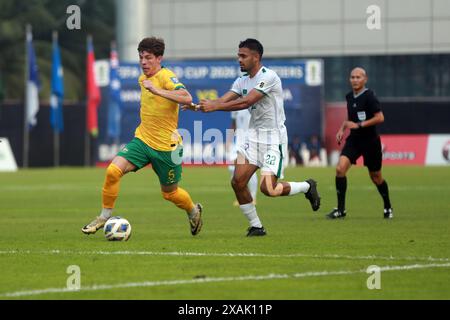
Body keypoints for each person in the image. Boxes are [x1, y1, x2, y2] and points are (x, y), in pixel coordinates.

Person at [186, 38, 320, 236]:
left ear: (256, 57)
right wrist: (200, 106)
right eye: (238, 55)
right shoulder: (242, 80)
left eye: (243, 56)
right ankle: (256, 226)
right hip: (252, 138)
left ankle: (307, 187)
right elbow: (224, 100)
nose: (239, 59)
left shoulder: (269, 77)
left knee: (269, 189)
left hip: (274, 139)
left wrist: (216, 106)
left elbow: (247, 101)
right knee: (237, 181)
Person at [82, 37, 203, 236]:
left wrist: (159, 90)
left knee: (170, 193)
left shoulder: (166, 76)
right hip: (143, 140)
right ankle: (104, 216)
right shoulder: (143, 79)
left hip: (167, 148)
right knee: (113, 171)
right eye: (141, 58)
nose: (143, 62)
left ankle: (193, 210)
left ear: (159, 58)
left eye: (148, 58)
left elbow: (187, 97)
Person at [327, 67, 393, 219]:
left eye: (358, 77)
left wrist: (360, 125)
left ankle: (388, 207)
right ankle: (341, 210)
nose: (355, 80)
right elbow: (351, 119)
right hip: (354, 140)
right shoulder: (349, 96)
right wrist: (342, 129)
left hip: (371, 142)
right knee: (340, 169)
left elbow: (380, 117)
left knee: (376, 177)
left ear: (365, 79)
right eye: (352, 77)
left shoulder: (370, 96)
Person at [228, 109, 258, 206]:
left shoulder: (251, 101)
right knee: (232, 168)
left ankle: (252, 197)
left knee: (249, 170)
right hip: (239, 142)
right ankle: (241, 196)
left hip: (250, 141)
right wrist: (229, 139)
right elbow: (233, 124)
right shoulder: (235, 105)